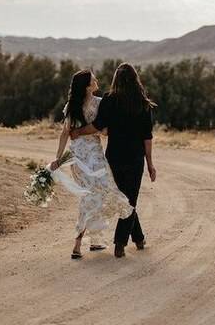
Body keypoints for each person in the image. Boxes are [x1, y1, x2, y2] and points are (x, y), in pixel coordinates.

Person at [70, 63, 157, 258]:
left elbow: (97, 125)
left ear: (116, 79)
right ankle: (120, 243)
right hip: (135, 159)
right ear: (136, 79)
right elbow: (147, 137)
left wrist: (78, 131)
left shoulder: (109, 100)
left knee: (123, 198)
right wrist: (150, 163)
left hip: (114, 157)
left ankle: (138, 238)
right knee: (129, 198)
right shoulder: (143, 104)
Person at [49, 70, 133, 259]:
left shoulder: (71, 105)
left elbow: (65, 134)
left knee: (90, 195)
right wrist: (97, 131)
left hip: (77, 157)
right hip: (93, 156)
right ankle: (77, 243)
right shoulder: (99, 103)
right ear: (87, 86)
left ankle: (94, 241)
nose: (97, 80)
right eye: (93, 79)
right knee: (97, 193)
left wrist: (59, 157)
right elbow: (104, 131)